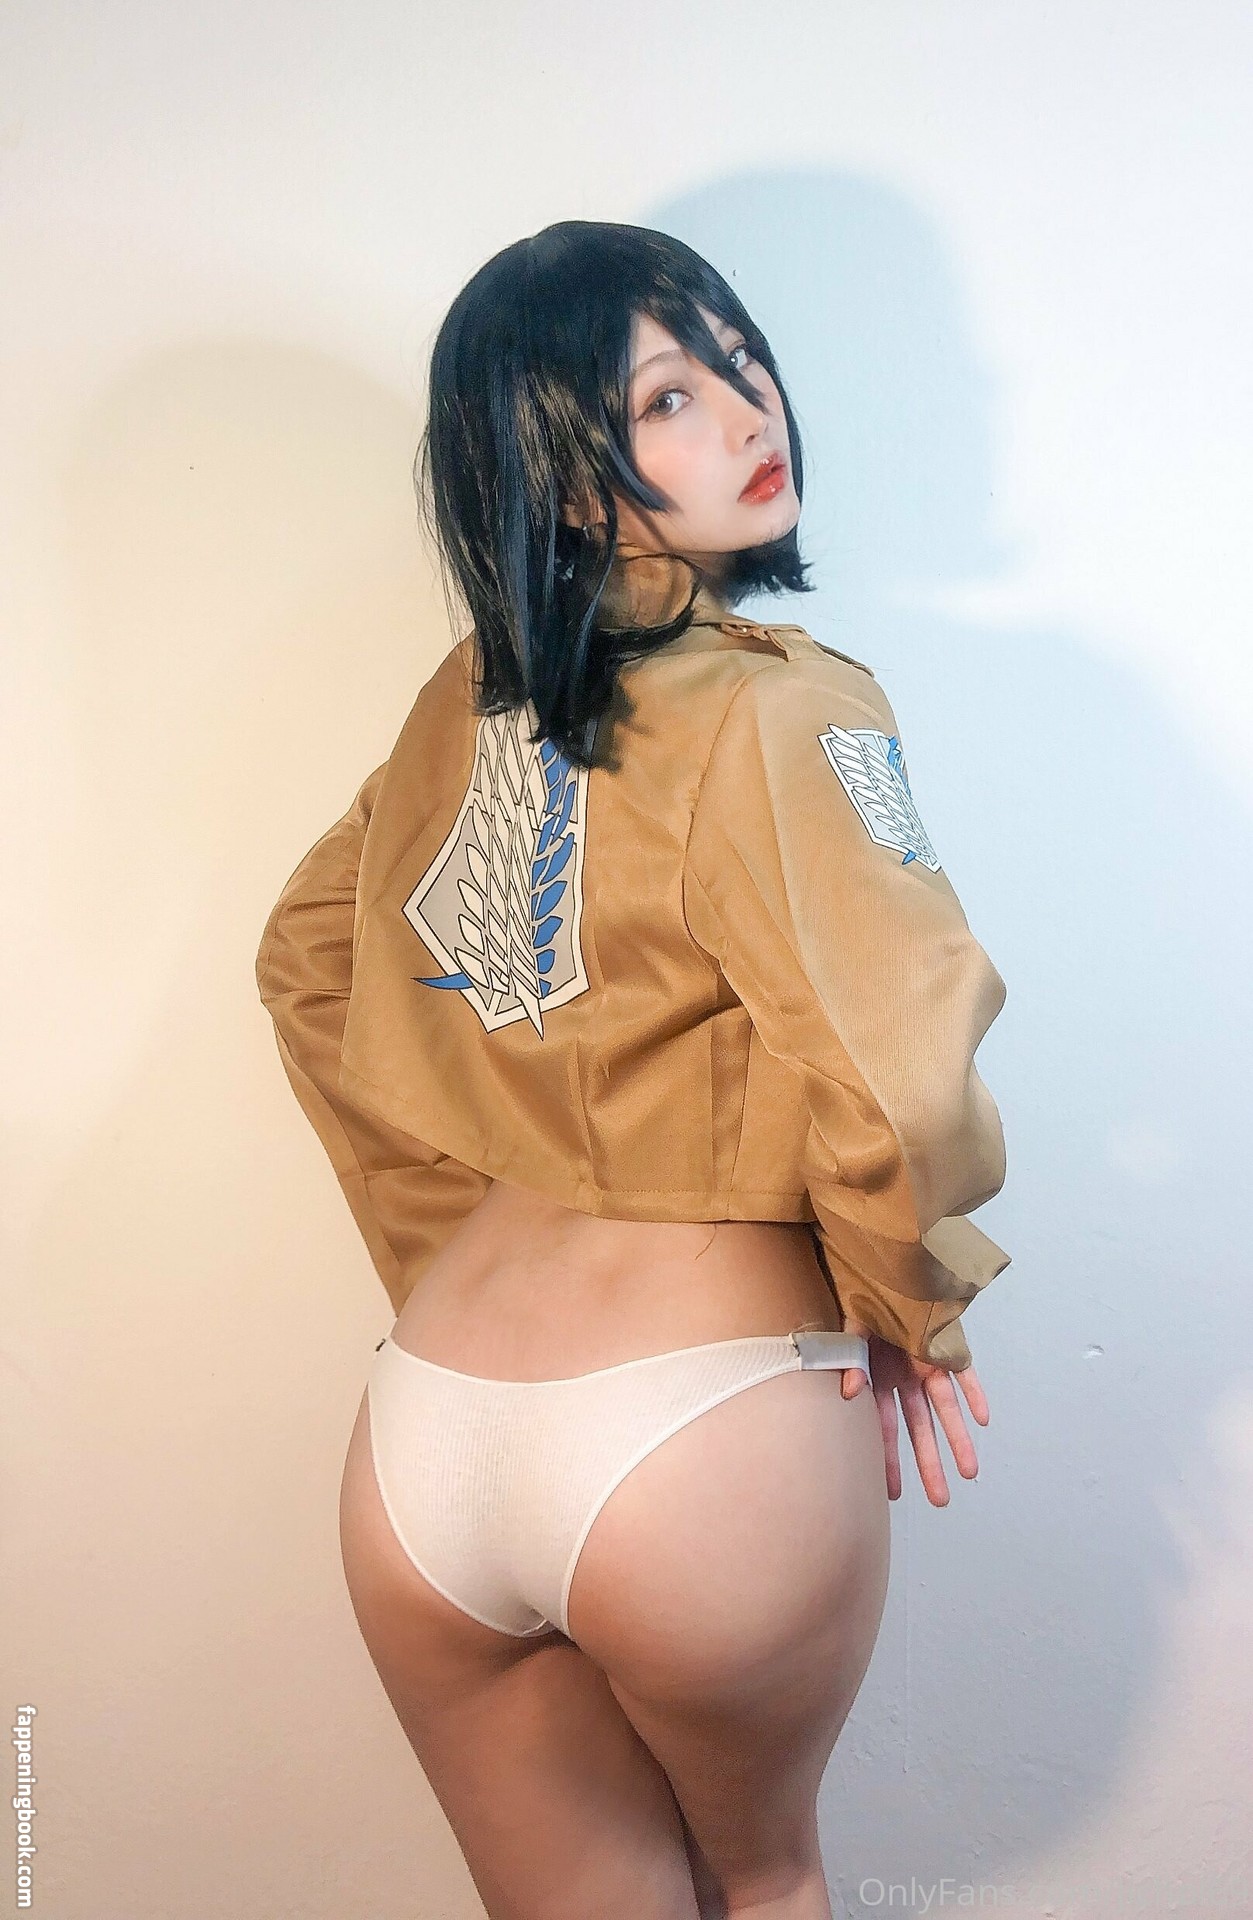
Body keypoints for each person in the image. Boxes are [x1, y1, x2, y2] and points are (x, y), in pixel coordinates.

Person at [255, 220, 1011, 1920]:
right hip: (698, 1428)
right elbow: (888, 1049)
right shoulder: (783, 706)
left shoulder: (467, 703)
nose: (747, 409)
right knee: (767, 1885)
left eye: (734, 359)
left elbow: (306, 963)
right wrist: (909, 1294)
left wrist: (442, 1244)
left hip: (427, 1427)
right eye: (665, 396)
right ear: (557, 468)